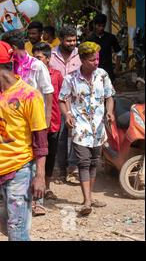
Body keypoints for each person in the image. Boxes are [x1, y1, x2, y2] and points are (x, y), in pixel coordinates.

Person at [0, 40, 48, 241]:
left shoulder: (30, 96)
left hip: (20, 170)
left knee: (17, 229)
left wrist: (40, 176)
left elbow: (40, 140)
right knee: (4, 223)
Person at [59, 41, 115, 216]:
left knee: (93, 162)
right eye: (92, 60)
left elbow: (109, 96)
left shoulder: (103, 75)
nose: (96, 62)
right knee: (83, 162)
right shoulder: (71, 78)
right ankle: (87, 201)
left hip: (98, 127)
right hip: (80, 127)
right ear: (82, 60)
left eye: (97, 59)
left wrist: (110, 112)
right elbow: (63, 99)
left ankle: (89, 197)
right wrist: (67, 114)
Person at [49, 25, 81, 184]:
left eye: (74, 40)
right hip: (58, 102)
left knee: (77, 135)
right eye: (68, 40)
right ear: (61, 40)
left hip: (78, 102)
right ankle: (60, 169)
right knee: (60, 137)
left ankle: (73, 168)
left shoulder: (81, 54)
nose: (72, 43)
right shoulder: (52, 54)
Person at [32, 42, 63, 202]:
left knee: (50, 155)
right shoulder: (30, 74)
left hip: (53, 121)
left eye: (39, 58)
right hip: (36, 122)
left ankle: (47, 186)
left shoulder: (57, 75)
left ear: (48, 59)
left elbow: (62, 97)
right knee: (36, 153)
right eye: (34, 58)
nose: (36, 61)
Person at [88, 13, 122, 81]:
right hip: (94, 71)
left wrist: (117, 68)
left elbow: (119, 52)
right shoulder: (90, 39)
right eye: (99, 26)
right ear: (94, 25)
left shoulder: (111, 37)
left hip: (108, 71)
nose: (101, 28)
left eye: (103, 26)